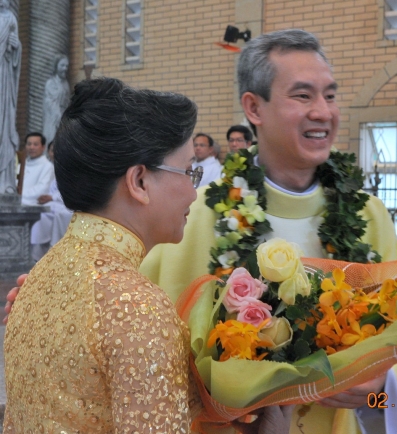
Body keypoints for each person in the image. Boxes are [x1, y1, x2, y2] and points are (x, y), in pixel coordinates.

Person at [141, 29, 397, 434]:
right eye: (302, 96)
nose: (323, 112)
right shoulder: (196, 213)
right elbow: (143, 342)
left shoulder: (368, 216)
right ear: (254, 107)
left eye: (330, 96)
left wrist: (382, 384)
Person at [3, 77, 293, 433]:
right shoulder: (136, 308)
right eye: (188, 172)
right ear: (139, 181)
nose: (193, 192)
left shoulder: (38, 277)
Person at [30, 141, 73, 261]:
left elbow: (70, 191)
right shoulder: (48, 168)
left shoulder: (71, 169)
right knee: (38, 212)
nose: (55, 153)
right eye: (53, 150)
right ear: (48, 152)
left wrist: (52, 197)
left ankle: (49, 251)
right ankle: (36, 253)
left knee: (46, 215)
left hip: (66, 204)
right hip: (51, 202)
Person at [0, 0, 21, 194]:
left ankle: (5, 181)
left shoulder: (9, 17)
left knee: (4, 126)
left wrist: (16, 47)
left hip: (4, 77)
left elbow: (15, 50)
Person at [20, 132, 54, 206]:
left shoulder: (48, 166)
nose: (31, 147)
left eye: (35, 144)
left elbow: (42, 190)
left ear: (43, 147)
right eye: (29, 144)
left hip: (33, 204)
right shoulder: (21, 165)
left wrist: (18, 194)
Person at [43, 55, 70, 144]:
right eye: (62, 65)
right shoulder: (51, 83)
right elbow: (51, 103)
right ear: (56, 66)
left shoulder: (66, 84)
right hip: (54, 119)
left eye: (66, 66)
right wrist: (59, 117)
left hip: (64, 118)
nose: (65, 68)